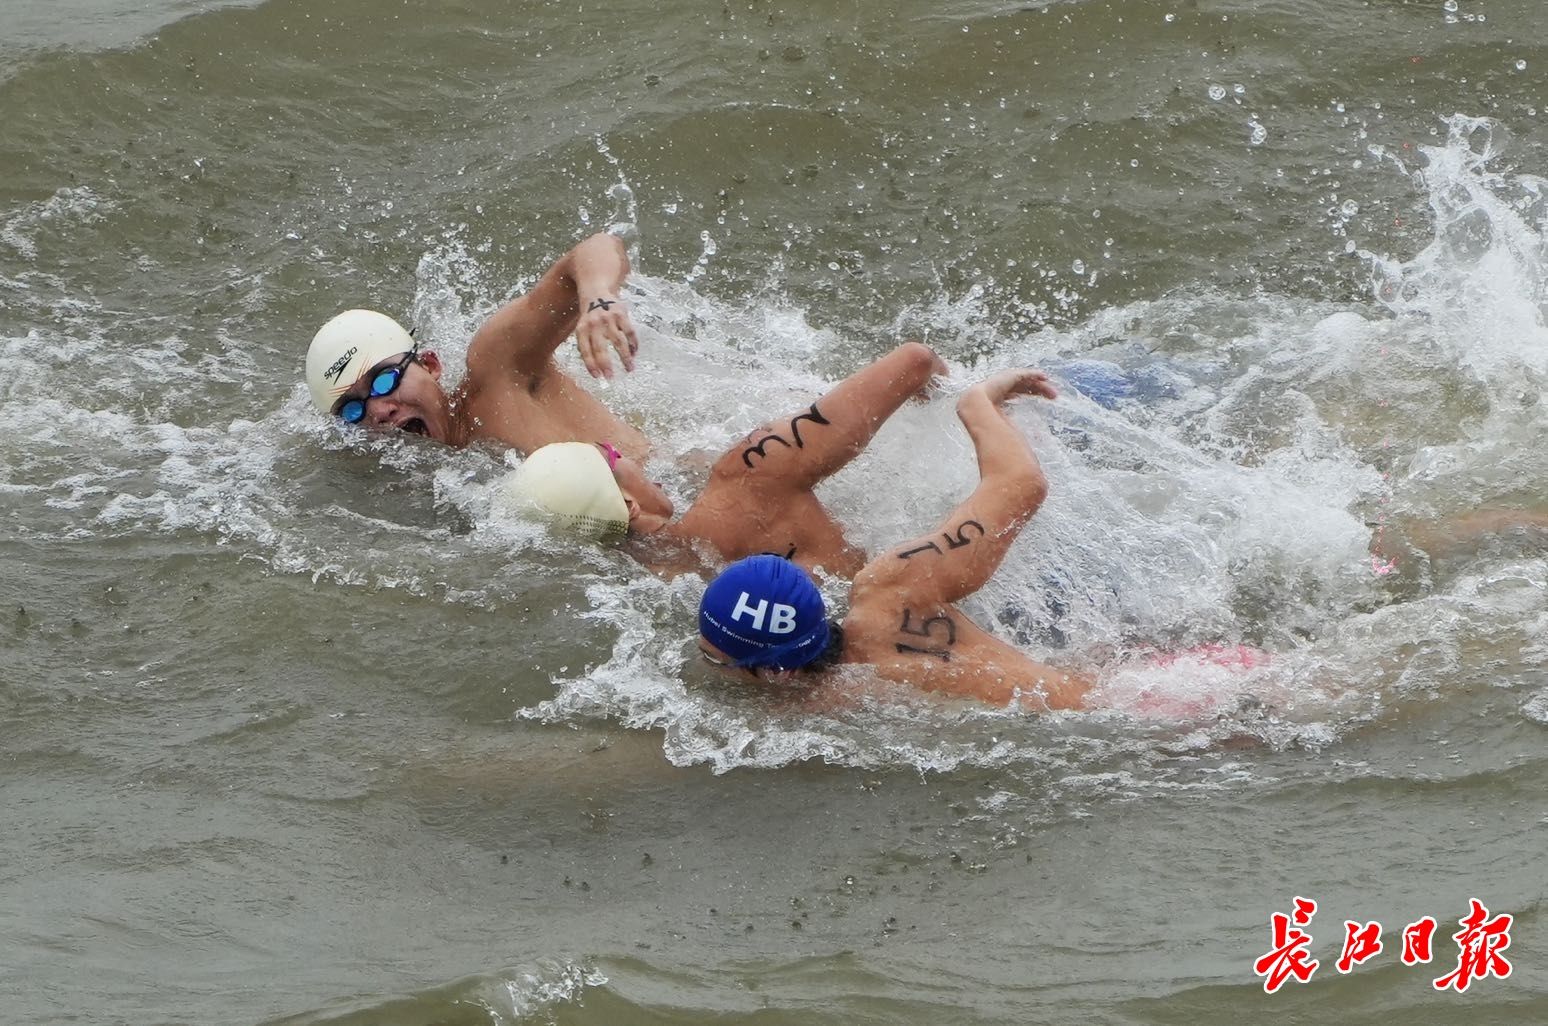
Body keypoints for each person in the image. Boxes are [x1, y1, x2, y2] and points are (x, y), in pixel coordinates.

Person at [695, 368, 1093, 711]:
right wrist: (980, 404)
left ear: (777, 673)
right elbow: (1019, 483)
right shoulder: (893, 589)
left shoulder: (829, 709)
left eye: (713, 659)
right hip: (1111, 684)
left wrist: (975, 400)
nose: (705, 661)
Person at [500, 341, 947, 579]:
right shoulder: (746, 477)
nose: (627, 456)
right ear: (629, 506)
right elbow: (914, 361)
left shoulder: (657, 581)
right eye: (612, 455)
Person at [302, 231, 652, 460]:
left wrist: (598, 295)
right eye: (352, 410)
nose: (379, 411)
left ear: (430, 365)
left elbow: (596, 247)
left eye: (384, 380)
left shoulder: (498, 371)